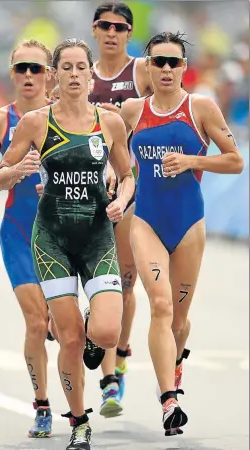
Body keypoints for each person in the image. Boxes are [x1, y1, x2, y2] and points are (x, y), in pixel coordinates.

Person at [0, 38, 135, 450]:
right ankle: (79, 421)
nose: (74, 75)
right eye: (66, 68)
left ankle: (92, 326)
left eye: (81, 67)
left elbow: (127, 176)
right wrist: (20, 168)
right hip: (51, 239)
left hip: (95, 236)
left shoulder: (109, 122)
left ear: (92, 74)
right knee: (68, 340)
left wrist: (121, 201)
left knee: (107, 332)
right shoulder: (36, 123)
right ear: (55, 75)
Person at [120, 31, 243, 435]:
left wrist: (192, 160)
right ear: (148, 67)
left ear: (184, 68)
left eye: (174, 62)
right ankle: (168, 400)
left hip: (189, 223)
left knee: (179, 320)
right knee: (159, 305)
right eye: (159, 62)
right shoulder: (133, 111)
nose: (167, 69)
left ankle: (175, 362)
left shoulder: (201, 108)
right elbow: (108, 155)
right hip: (147, 221)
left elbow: (235, 161)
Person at [0, 39, 56, 438]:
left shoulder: (68, 117)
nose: (28, 75)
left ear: (50, 75)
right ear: (12, 73)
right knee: (36, 319)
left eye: (36, 69)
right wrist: (11, 173)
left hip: (63, 235)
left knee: (68, 327)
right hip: (20, 232)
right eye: (21, 68)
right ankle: (42, 404)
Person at [88, 1, 153, 418]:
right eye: (105, 25)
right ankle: (110, 371)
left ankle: (117, 366)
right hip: (85, 189)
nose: (112, 32)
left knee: (124, 282)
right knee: (98, 279)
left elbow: (166, 108)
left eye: (120, 27)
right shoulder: (79, 73)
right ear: (95, 30)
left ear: (129, 33)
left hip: (131, 184)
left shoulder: (143, 71)